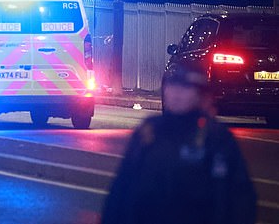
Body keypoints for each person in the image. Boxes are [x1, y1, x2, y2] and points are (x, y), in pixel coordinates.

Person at [101, 63, 257, 224]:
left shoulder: (216, 137)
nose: (176, 93)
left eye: (186, 87)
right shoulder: (149, 131)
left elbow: (239, 198)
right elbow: (121, 187)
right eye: (172, 85)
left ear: (201, 95)